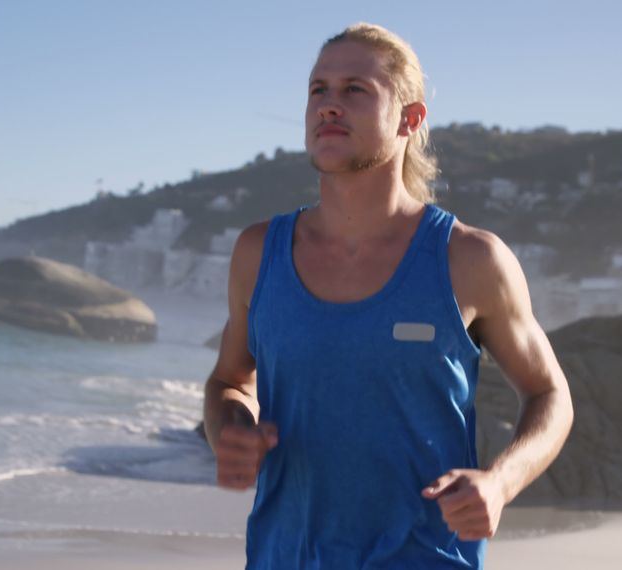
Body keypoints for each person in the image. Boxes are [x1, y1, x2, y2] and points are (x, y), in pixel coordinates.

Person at [203, 22, 574, 569]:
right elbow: (230, 381)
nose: (329, 105)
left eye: (355, 89)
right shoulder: (258, 253)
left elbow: (550, 394)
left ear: (410, 118)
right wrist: (231, 429)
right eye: (318, 90)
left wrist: (499, 482)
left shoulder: (469, 259)